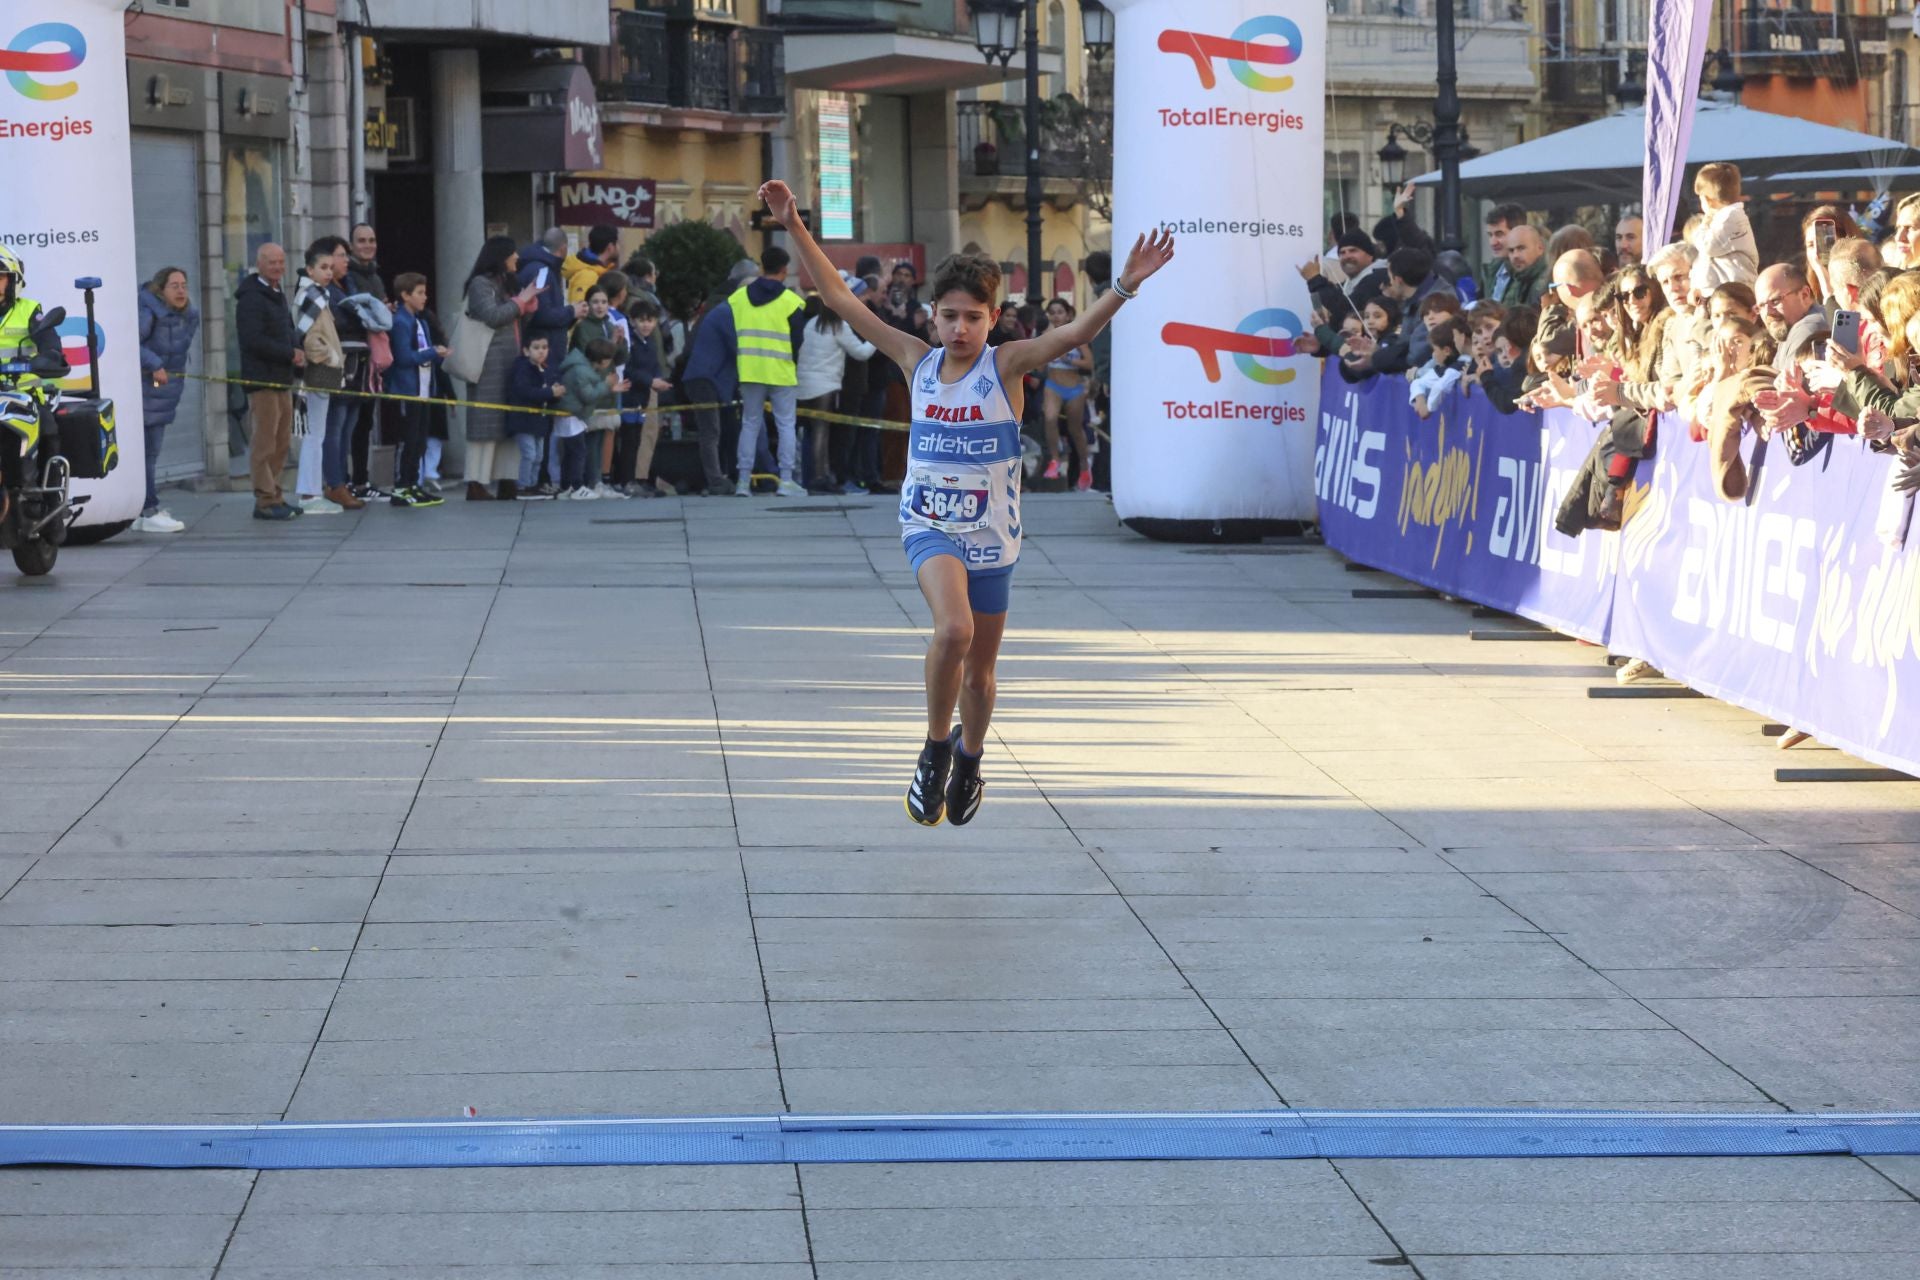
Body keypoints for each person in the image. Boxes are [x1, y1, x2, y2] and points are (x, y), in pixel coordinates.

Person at [758, 177, 1175, 827]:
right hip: (928, 525)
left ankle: (971, 757)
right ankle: (932, 750)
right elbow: (838, 297)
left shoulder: (1005, 366)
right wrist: (792, 224)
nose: (959, 329)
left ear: (993, 317)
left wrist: (1123, 286)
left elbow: (1071, 340)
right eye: (949, 316)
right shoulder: (914, 359)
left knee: (981, 675)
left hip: (993, 536)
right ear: (931, 316)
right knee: (953, 629)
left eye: (973, 317)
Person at [720, 246, 808, 497]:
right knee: (785, 425)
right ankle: (787, 480)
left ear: (761, 267)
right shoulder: (792, 301)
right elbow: (797, 340)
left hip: (749, 370)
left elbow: (731, 331)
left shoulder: (738, 298)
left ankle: (743, 482)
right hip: (781, 371)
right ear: (784, 270)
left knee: (749, 424)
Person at [462, 236, 539, 501]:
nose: (517, 258)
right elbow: (493, 316)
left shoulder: (506, 283)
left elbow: (515, 317)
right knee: (485, 425)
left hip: (510, 361)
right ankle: (476, 482)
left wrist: (527, 304)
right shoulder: (480, 284)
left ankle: (507, 479)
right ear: (500, 256)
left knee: (509, 424)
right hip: (488, 362)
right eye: (513, 254)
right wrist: (520, 302)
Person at [234, 243, 304, 520]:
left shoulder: (277, 293)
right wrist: (289, 352)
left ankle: (275, 494)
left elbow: (287, 329)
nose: (278, 267)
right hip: (262, 380)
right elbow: (252, 340)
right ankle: (264, 500)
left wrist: (296, 349)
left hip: (282, 378)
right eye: (272, 262)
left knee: (281, 442)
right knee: (264, 442)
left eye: (281, 262)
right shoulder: (251, 298)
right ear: (259, 264)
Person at [292, 242, 357, 514]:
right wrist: (331, 358)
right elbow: (308, 339)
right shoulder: (311, 296)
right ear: (310, 269)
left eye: (331, 267)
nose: (329, 272)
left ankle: (312, 492)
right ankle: (309, 494)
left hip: (325, 368)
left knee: (316, 433)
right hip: (320, 370)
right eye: (323, 267)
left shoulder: (317, 294)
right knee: (314, 434)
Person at [135, 266, 200, 534]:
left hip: (163, 394)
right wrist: (154, 363)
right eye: (174, 285)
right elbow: (129, 342)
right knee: (147, 454)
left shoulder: (187, 316)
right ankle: (147, 509)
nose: (181, 290)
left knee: (151, 453)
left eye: (184, 284)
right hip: (144, 391)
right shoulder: (148, 312)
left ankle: (144, 508)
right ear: (160, 290)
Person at [795, 294, 877, 494]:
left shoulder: (812, 323)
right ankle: (820, 478)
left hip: (803, 385)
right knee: (822, 432)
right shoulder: (838, 326)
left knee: (810, 432)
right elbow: (861, 353)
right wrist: (875, 338)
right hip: (825, 387)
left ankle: (811, 476)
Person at [386, 271, 448, 508]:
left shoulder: (421, 321)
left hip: (423, 389)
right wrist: (433, 352)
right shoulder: (400, 321)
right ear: (405, 295)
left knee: (420, 440)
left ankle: (413, 484)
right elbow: (403, 357)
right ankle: (401, 486)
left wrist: (437, 354)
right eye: (420, 293)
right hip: (407, 389)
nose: (425, 297)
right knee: (408, 439)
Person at [555, 338, 629, 499]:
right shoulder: (582, 371)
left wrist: (609, 388)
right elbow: (589, 396)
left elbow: (590, 390)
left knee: (570, 453)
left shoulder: (581, 369)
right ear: (602, 361)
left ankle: (566, 487)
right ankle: (576, 487)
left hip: (572, 415)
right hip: (571, 417)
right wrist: (608, 385)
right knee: (578, 451)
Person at [617, 296, 675, 497]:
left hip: (643, 398)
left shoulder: (649, 342)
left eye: (650, 320)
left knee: (639, 439)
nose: (646, 325)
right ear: (632, 321)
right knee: (629, 440)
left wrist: (659, 380)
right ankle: (626, 480)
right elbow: (629, 369)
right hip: (629, 397)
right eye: (641, 320)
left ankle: (636, 479)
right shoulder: (630, 342)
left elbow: (654, 365)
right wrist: (651, 381)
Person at [1039, 298, 1095, 490]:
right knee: (1049, 418)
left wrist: (1069, 360)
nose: (1056, 316)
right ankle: (1054, 460)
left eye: (1060, 311)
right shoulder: (1046, 336)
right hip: (1053, 384)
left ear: (1068, 314)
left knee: (1075, 429)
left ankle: (1084, 466)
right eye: (1052, 312)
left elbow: (1089, 363)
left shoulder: (1076, 335)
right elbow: (1038, 363)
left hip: (1074, 388)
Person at [506, 333, 564, 500]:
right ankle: (523, 486)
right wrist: (549, 392)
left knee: (539, 456)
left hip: (539, 422)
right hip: (523, 421)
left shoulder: (546, 369)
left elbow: (545, 394)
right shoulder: (522, 368)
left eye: (544, 348)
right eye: (536, 348)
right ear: (526, 351)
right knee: (529, 454)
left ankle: (532, 484)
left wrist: (556, 393)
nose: (541, 352)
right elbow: (525, 391)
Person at [1690, 162, 1759, 290]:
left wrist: (1704, 223)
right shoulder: (1727, 218)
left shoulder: (1731, 218)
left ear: (1707, 200)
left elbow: (1707, 246)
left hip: (1736, 288)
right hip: (1722, 287)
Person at [1409, 317, 1467, 418]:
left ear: (1446, 351)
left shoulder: (1460, 365)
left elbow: (1440, 387)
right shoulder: (1440, 369)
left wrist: (1428, 408)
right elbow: (1418, 382)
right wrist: (1420, 400)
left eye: (1434, 350)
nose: (1433, 355)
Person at [1478, 203, 1528, 303]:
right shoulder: (1493, 271)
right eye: (1490, 235)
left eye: (1499, 234)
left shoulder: (1532, 273)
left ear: (1517, 232)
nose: (1493, 242)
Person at [565, 226, 620, 303]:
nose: (619, 247)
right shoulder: (587, 276)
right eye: (617, 243)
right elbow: (580, 310)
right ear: (610, 247)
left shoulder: (596, 271)